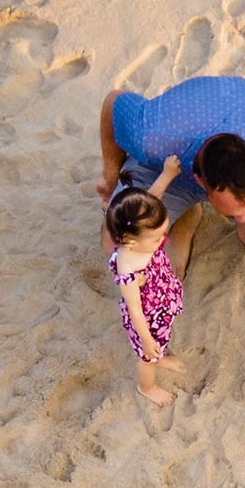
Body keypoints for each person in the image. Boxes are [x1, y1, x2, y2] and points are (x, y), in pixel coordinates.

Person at [96, 76, 245, 366]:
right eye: (232, 214)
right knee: (117, 242)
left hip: (240, 117)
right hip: (169, 168)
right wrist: (110, 177)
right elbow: (112, 103)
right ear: (199, 181)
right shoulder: (154, 135)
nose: (240, 220)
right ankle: (186, 213)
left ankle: (185, 217)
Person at [106, 154, 185, 406]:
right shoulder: (128, 267)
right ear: (130, 240)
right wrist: (147, 339)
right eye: (156, 238)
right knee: (147, 356)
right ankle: (146, 386)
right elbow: (135, 310)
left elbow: (153, 197)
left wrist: (168, 173)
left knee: (162, 339)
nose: (162, 238)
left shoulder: (143, 224)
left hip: (159, 297)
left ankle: (159, 353)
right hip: (146, 316)